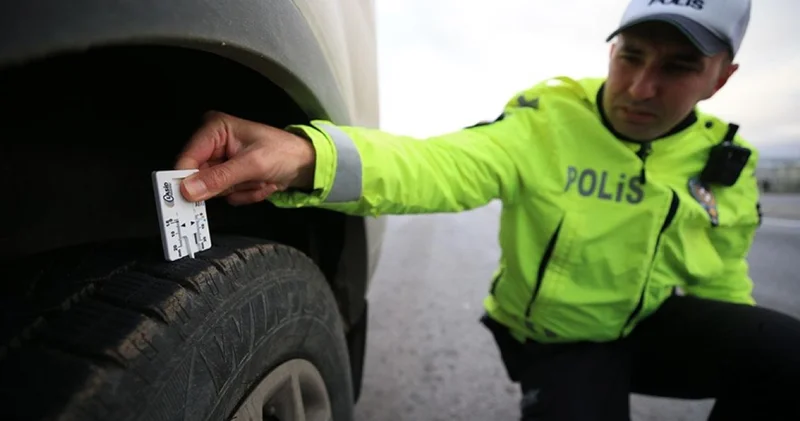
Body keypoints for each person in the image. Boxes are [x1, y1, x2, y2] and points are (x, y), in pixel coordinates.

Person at [175, 0, 800, 419]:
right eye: (630, 55)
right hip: (563, 341)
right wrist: (307, 154)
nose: (641, 88)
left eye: (679, 67)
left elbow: (720, 275)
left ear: (720, 77)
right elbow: (442, 164)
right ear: (611, 49)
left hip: (652, 325)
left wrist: (738, 347)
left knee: (781, 351)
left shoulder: (725, 158)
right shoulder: (548, 121)